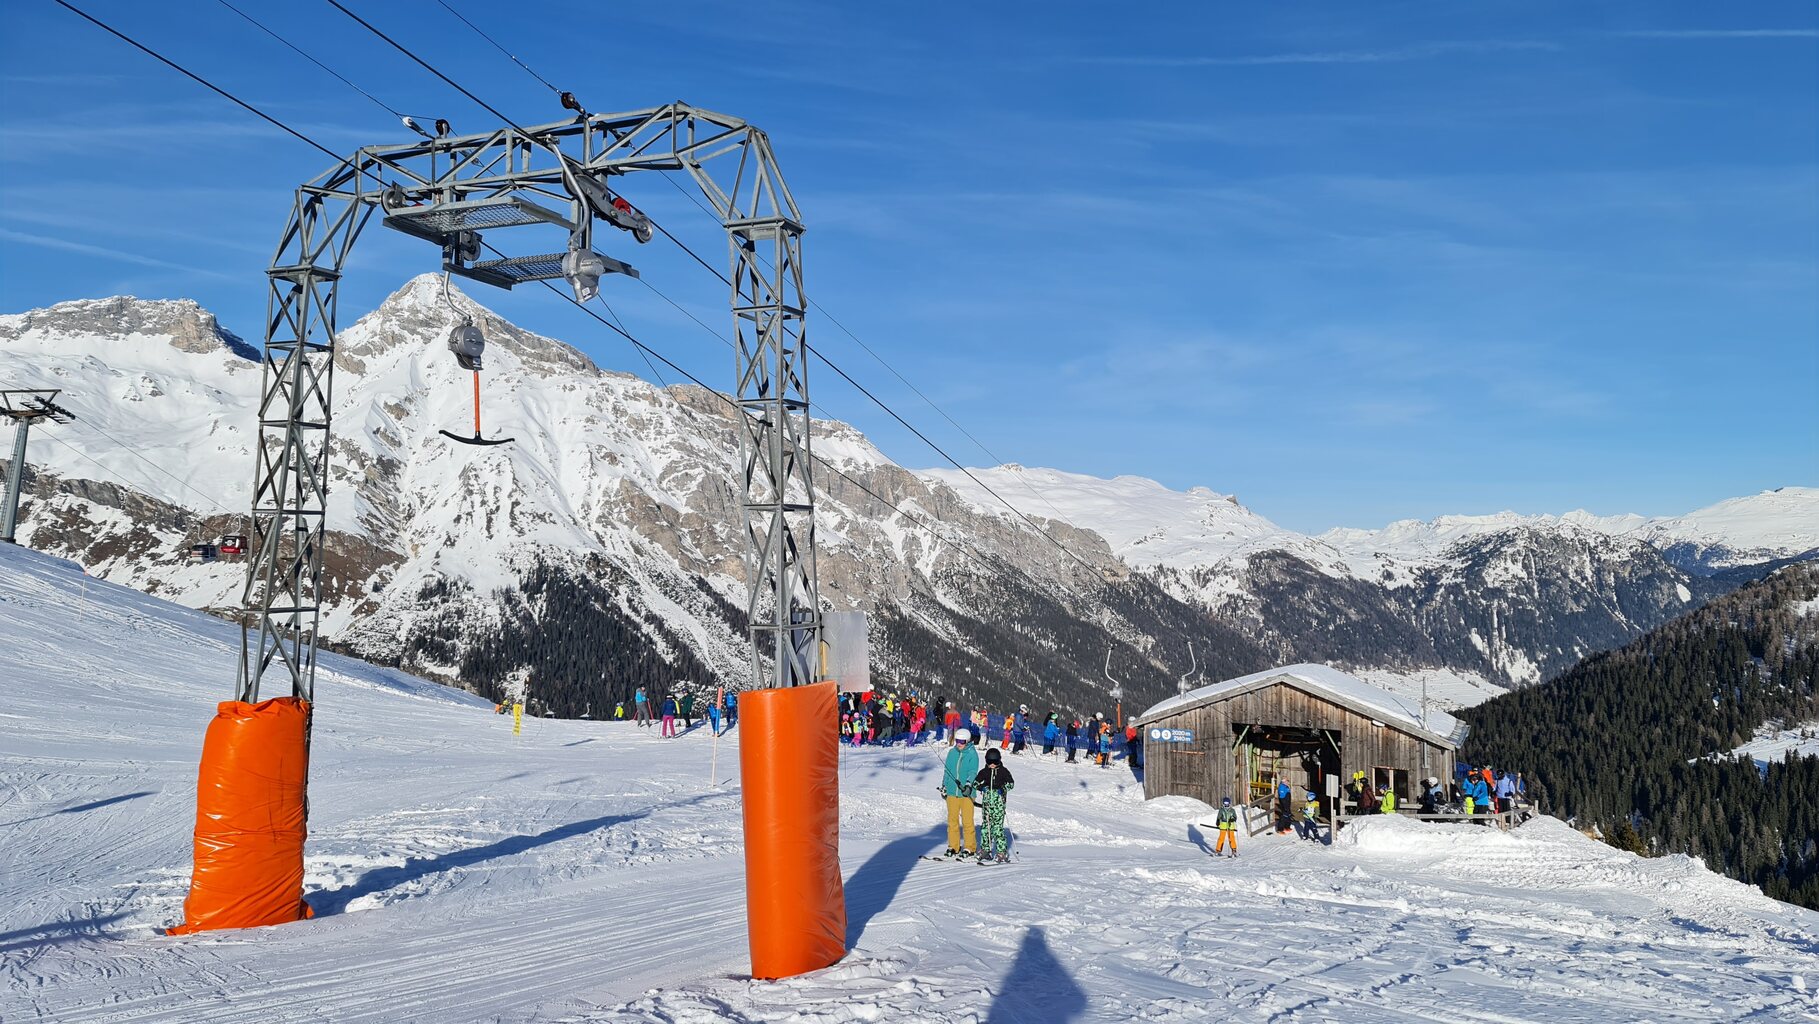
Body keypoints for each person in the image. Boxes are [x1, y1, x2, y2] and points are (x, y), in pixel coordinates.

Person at [942, 728, 980, 858]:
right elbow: (947, 771)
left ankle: (970, 847)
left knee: (967, 821)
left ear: (968, 741)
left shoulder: (972, 754)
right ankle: (953, 846)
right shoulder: (952, 753)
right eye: (957, 741)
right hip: (953, 791)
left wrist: (968, 785)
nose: (959, 744)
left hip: (967, 793)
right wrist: (944, 786)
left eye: (962, 741)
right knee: (952, 820)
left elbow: (972, 772)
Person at [974, 747, 1015, 863]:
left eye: (995, 762)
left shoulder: (1003, 771)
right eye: (989, 762)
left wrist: (1003, 789)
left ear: (999, 761)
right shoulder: (984, 772)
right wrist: (982, 787)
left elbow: (1011, 784)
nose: (992, 764)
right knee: (985, 828)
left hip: (998, 804)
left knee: (997, 829)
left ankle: (1001, 852)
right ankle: (985, 850)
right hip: (987, 804)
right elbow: (975, 783)